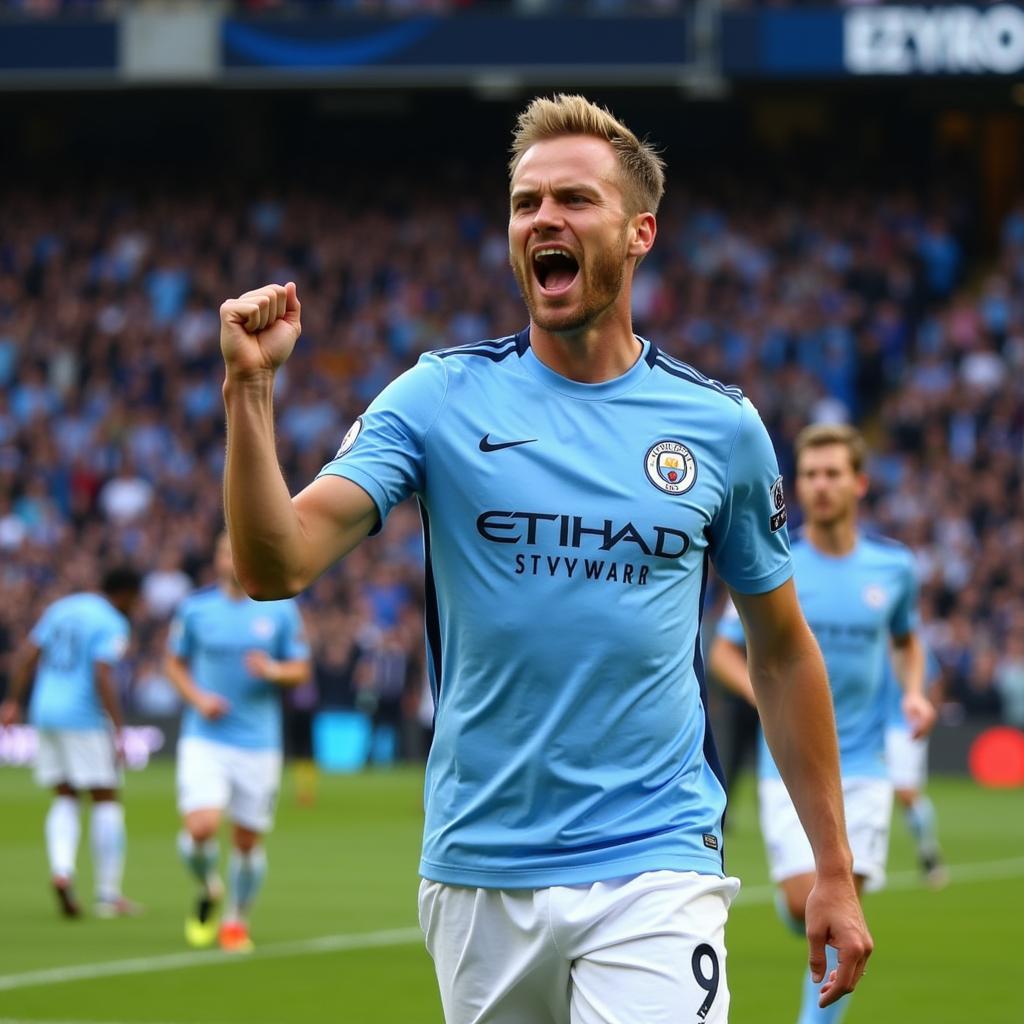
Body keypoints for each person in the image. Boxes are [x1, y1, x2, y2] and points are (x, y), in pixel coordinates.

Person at [218, 94, 872, 1022]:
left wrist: (833, 871)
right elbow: (273, 566)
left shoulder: (720, 428)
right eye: (526, 203)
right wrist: (250, 390)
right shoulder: (438, 398)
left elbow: (780, 650)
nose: (543, 221)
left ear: (640, 231)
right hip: (480, 866)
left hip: (657, 861)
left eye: (573, 199)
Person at [709, 423, 936, 1024]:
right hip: (790, 766)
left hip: (862, 767)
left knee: (841, 909)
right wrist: (770, 696)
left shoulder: (893, 568)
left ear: (859, 483)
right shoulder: (777, 564)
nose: (820, 485)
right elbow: (724, 650)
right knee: (799, 902)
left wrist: (913, 693)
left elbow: (908, 641)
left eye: (833, 473)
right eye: (809, 474)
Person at [164, 532, 311, 953]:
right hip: (205, 737)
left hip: (258, 743)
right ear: (215, 560)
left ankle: (235, 921)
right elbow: (173, 664)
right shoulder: (195, 609)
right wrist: (198, 699)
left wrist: (272, 672)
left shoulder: (281, 610)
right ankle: (209, 885)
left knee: (247, 841)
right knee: (201, 827)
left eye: (238, 551)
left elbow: (301, 669)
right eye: (225, 552)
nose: (231, 559)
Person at [0, 565, 142, 918]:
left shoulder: (62, 608)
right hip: (83, 717)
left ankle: (62, 871)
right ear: (126, 595)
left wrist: (12, 701)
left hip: (45, 711)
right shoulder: (112, 622)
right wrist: (118, 727)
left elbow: (27, 656)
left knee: (64, 795)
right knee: (106, 797)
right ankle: (109, 896)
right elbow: (102, 673)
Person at [882, 653, 948, 888]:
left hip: (904, 728)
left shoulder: (913, 646)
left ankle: (929, 852)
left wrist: (928, 712)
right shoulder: (873, 642)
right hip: (873, 728)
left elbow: (935, 682)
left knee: (906, 794)